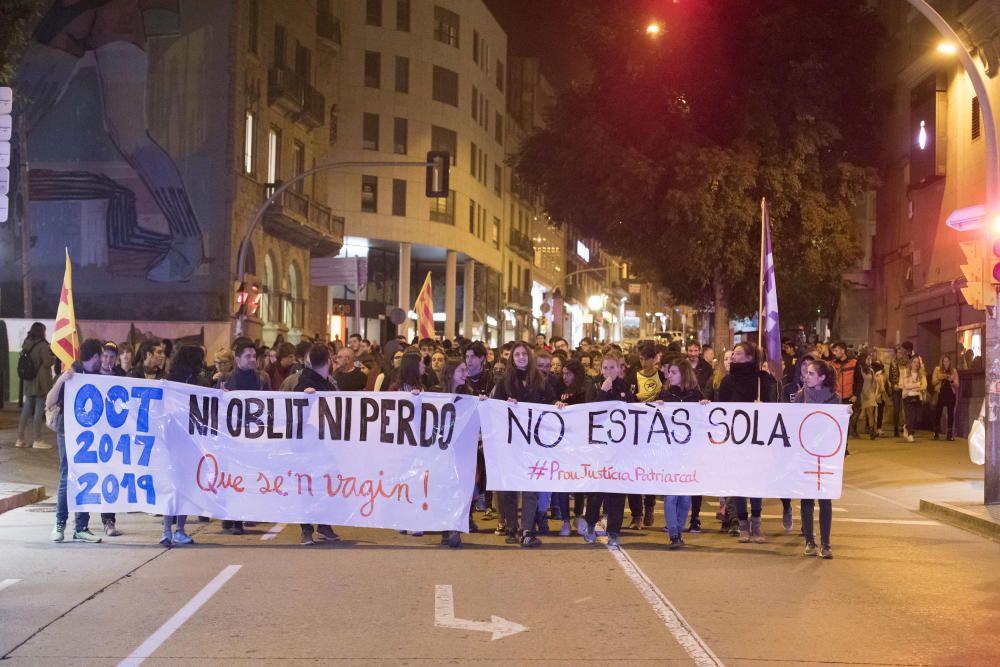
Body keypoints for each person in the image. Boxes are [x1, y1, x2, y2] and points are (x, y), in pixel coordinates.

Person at [488, 341, 556, 547]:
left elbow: (551, 404)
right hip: (510, 443)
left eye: (524, 354)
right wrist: (504, 406)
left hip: (533, 443)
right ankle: (512, 525)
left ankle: (527, 529)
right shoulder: (504, 382)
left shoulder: (540, 381)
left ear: (530, 356)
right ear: (512, 358)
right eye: (516, 355)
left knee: (530, 486)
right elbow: (495, 408)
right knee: (509, 486)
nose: (520, 357)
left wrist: (558, 406)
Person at [46, 338, 106, 543]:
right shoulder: (72, 374)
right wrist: (62, 380)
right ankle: (59, 524)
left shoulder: (99, 377)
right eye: (102, 356)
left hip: (90, 434)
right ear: (96, 356)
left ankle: (81, 527)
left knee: (88, 475)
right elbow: (49, 401)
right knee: (67, 475)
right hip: (67, 430)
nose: (104, 361)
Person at [716, 342, 776, 543]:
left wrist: (763, 407)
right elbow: (721, 410)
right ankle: (742, 524)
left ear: (750, 357)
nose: (733, 356)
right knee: (740, 482)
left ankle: (756, 523)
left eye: (738, 353)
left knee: (755, 482)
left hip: (757, 440)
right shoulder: (727, 381)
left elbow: (777, 408)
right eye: (733, 353)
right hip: (735, 440)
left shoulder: (763, 380)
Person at [580, 350, 634, 549]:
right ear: (600, 369)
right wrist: (603, 391)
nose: (609, 371)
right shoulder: (594, 386)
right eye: (605, 367)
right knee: (596, 492)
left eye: (613, 367)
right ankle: (591, 525)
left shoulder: (625, 387)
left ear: (620, 369)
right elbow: (590, 411)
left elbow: (635, 411)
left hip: (619, 450)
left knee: (617, 493)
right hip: (599, 449)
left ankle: (614, 531)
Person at [217, 339, 270, 534]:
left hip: (252, 436)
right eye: (247, 356)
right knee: (232, 478)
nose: (252, 360)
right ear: (237, 359)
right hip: (232, 438)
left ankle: (238, 516)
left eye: (254, 356)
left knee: (247, 477)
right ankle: (232, 518)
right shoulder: (227, 380)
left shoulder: (261, 379)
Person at [161, 345, 211, 546]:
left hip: (189, 441)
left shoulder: (198, 382)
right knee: (176, 485)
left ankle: (175, 529)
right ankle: (170, 529)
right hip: (176, 441)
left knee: (184, 486)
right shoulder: (172, 383)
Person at [294, 344, 343, 546]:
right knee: (309, 486)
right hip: (309, 445)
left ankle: (323, 524)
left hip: (323, 444)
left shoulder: (325, 382)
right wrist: (305, 395)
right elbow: (297, 404)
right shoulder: (307, 382)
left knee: (325, 483)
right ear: (328, 360)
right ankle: (307, 529)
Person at [794, 359, 842, 559]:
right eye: (806, 373)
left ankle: (826, 543)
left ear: (822, 377)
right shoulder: (802, 395)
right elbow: (792, 420)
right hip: (805, 453)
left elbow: (837, 425)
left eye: (811, 373)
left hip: (826, 455)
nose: (806, 376)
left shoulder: (835, 398)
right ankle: (809, 542)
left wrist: (846, 414)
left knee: (825, 500)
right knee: (806, 498)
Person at [656, 360, 704, 546]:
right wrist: (657, 407)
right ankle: (674, 533)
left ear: (683, 374)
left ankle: (680, 530)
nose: (669, 375)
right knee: (671, 495)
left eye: (673, 372)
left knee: (685, 496)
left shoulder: (695, 395)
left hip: (689, 452)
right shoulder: (665, 394)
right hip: (670, 452)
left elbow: (704, 419)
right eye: (669, 372)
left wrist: (705, 405)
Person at [439, 357, 473, 548]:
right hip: (441, 449)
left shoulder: (468, 395)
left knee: (459, 488)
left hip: (460, 449)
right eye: (461, 370)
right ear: (450, 372)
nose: (465, 374)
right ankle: (445, 528)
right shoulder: (435, 393)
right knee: (444, 488)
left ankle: (455, 528)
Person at [16, 322, 55, 450]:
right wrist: (53, 356)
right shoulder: (43, 346)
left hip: (28, 381)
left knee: (26, 410)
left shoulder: (26, 343)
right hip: (40, 382)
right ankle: (37, 439)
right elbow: (47, 362)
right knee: (39, 411)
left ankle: (19, 439)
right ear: (41, 332)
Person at [830, 342, 858, 437]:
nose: (834, 353)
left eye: (836, 350)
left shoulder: (854, 363)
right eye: (833, 351)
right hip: (836, 398)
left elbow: (859, 381)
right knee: (837, 423)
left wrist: (855, 395)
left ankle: (844, 448)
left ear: (843, 350)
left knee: (846, 424)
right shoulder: (832, 364)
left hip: (848, 398)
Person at [899, 355, 927, 443]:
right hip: (907, 397)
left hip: (918, 397)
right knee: (910, 416)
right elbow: (905, 385)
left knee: (917, 417)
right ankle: (910, 434)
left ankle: (906, 427)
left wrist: (914, 388)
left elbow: (924, 386)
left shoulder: (921, 374)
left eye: (918, 363)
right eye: (914, 362)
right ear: (911, 363)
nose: (916, 364)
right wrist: (917, 385)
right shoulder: (905, 372)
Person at [931, 355, 958, 441]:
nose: (945, 363)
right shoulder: (937, 369)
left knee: (950, 414)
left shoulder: (953, 371)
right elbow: (933, 382)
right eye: (944, 361)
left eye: (947, 361)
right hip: (940, 393)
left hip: (950, 394)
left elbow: (957, 384)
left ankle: (949, 434)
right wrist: (941, 377)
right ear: (941, 362)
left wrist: (952, 380)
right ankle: (936, 432)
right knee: (938, 413)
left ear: (950, 362)